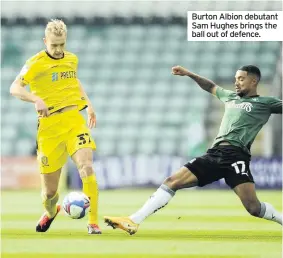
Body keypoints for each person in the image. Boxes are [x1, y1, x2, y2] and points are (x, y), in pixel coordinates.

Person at [104, 65, 282, 235]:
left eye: (241, 79)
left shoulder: (265, 103)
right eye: (236, 79)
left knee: (253, 207)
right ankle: (133, 220)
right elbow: (210, 86)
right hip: (216, 154)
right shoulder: (230, 96)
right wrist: (189, 74)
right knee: (172, 181)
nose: (236, 82)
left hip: (237, 157)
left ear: (254, 81)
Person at [10, 19, 101, 234]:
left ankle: (93, 222)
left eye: (62, 44)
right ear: (45, 41)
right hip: (49, 129)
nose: (59, 50)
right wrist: (35, 99)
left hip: (73, 121)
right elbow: (15, 88)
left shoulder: (71, 59)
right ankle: (51, 212)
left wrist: (88, 105)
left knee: (86, 167)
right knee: (49, 193)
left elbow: (74, 81)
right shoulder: (35, 63)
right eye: (54, 45)